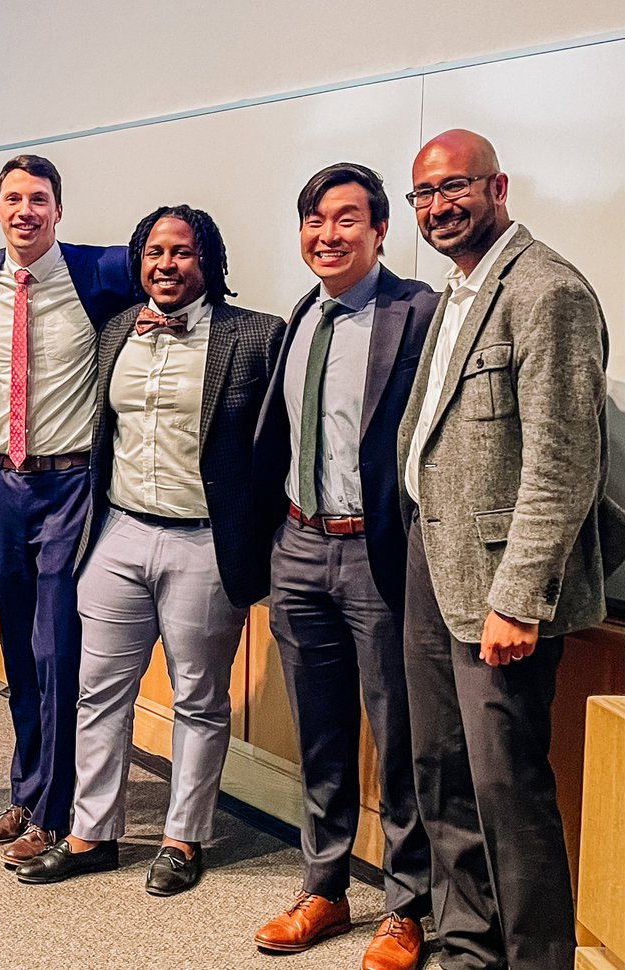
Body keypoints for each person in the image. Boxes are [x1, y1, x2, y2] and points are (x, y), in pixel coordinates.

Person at [14, 205, 284, 894]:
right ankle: (91, 834)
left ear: (208, 261)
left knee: (197, 698)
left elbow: (275, 449)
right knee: (97, 693)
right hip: (119, 534)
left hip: (204, 542)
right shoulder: (115, 333)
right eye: (154, 252)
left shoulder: (255, 337)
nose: (167, 264)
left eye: (183, 252)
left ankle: (183, 839)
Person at [399, 129, 614, 970]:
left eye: (455, 188)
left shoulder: (546, 290)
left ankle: (536, 960)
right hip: (431, 560)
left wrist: (518, 597)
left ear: (499, 187)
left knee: (506, 789)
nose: (439, 207)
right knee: (442, 770)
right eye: (424, 194)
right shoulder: (457, 292)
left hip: (497, 585)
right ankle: (466, 949)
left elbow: (565, 464)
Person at [252, 163, 437, 968]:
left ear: (380, 230)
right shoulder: (302, 316)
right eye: (314, 221)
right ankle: (324, 886)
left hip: (379, 553)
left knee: (401, 737)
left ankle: (408, 906)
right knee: (319, 733)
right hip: (298, 547)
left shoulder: (418, 314)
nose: (327, 235)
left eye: (346, 220)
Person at [0, 155, 135, 865]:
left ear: (59, 209)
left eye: (39, 199)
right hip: (0, 487)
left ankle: (56, 811)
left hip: (72, 488)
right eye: (12, 199)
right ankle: (28, 794)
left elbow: (177, 269)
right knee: (18, 652)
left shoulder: (99, 271)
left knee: (57, 649)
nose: (25, 211)